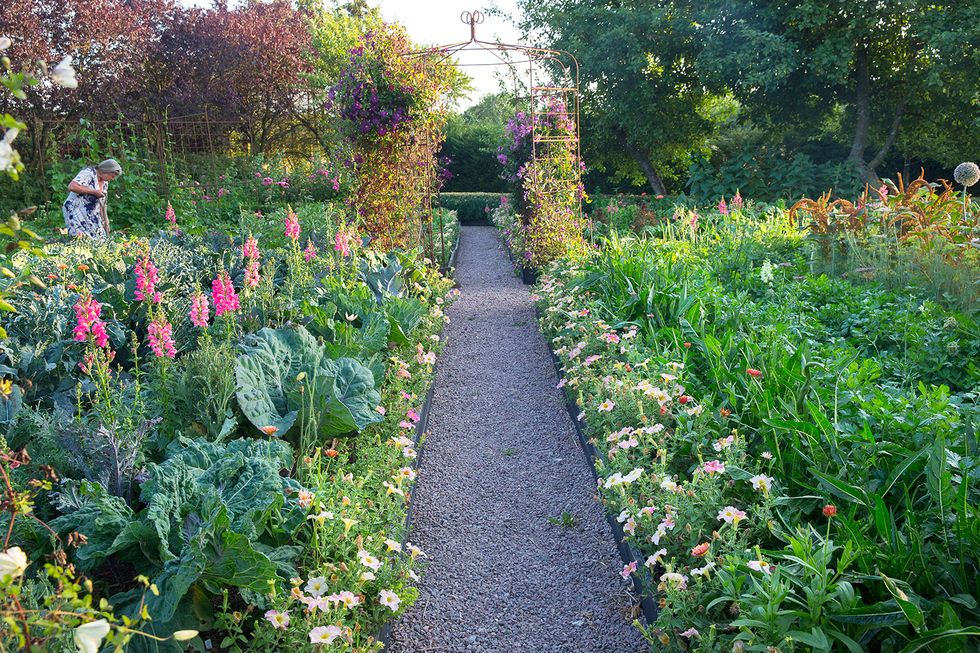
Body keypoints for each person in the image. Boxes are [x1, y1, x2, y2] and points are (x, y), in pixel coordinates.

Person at [63, 159, 122, 239]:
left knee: (100, 238)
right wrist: (94, 192)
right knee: (82, 239)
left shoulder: (105, 183)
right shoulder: (89, 173)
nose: (112, 179)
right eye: (112, 176)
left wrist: (105, 221)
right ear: (106, 171)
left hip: (92, 213)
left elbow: (102, 203)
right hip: (75, 208)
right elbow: (72, 186)